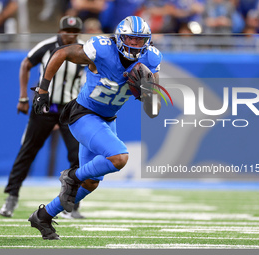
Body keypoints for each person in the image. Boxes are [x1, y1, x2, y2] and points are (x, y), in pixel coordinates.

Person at [28, 15, 162, 240]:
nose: (136, 45)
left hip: (107, 120)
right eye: (131, 39)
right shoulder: (102, 49)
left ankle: (43, 216)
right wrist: (43, 90)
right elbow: (61, 53)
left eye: (140, 40)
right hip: (84, 115)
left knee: (90, 183)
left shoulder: (151, 58)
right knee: (119, 158)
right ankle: (71, 175)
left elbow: (154, 109)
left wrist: (146, 90)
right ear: (120, 37)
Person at [0, 16, 87, 219]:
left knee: (77, 156)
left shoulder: (84, 50)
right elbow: (25, 64)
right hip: (45, 107)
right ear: (60, 30)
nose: (70, 35)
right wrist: (23, 96)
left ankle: (72, 205)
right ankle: (11, 197)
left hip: (70, 110)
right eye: (66, 31)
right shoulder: (47, 46)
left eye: (74, 32)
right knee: (28, 150)